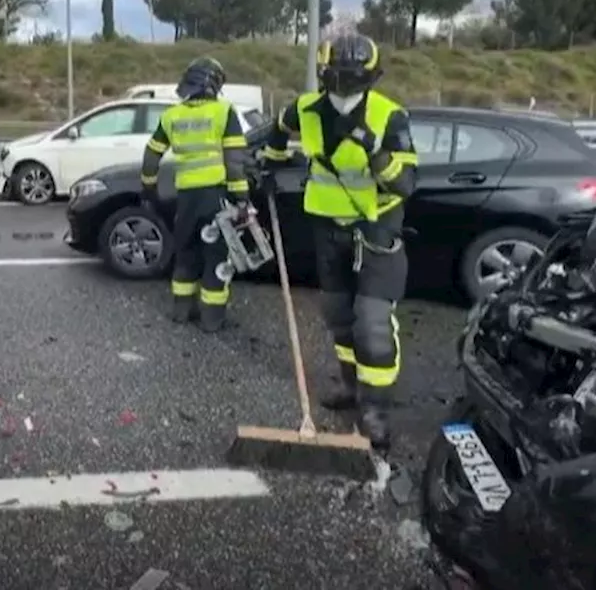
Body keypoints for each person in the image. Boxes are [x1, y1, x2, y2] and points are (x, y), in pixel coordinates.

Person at [258, 34, 419, 453]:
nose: (347, 85)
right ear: (325, 74)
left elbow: (404, 183)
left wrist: (373, 149)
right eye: (339, 77)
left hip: (377, 230)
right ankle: (351, 387)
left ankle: (375, 408)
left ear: (371, 77)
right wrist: (271, 164)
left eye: (355, 78)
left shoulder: (390, 117)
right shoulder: (305, 108)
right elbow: (277, 130)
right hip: (328, 227)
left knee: (372, 322)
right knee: (339, 316)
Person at [140, 57, 254, 334]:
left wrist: (149, 190)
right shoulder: (223, 112)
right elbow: (234, 161)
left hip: (186, 198)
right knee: (216, 257)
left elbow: (152, 154)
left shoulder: (172, 116)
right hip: (216, 198)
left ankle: (181, 311)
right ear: (214, 85)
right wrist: (242, 199)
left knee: (186, 252)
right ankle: (212, 319)